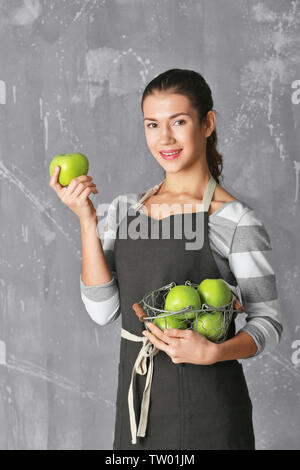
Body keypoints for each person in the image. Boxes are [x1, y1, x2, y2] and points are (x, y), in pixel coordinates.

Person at [49, 69, 283, 450]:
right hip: (137, 403)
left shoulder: (235, 220)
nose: (165, 138)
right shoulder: (124, 212)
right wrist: (87, 220)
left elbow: (269, 323)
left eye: (179, 121)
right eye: (153, 124)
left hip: (211, 410)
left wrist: (215, 351)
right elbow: (102, 311)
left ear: (207, 123)